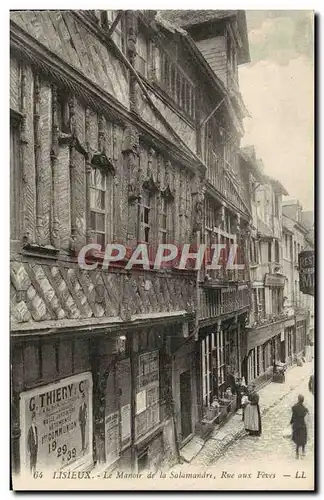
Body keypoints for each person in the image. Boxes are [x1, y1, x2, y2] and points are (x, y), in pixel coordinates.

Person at [291, 394, 309, 459]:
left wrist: (291, 422)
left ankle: (297, 453)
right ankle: (303, 452)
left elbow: (293, 416)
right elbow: (305, 415)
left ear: (298, 399)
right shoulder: (304, 408)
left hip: (296, 425)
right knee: (303, 438)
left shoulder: (294, 407)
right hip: (302, 425)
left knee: (297, 439)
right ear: (303, 401)